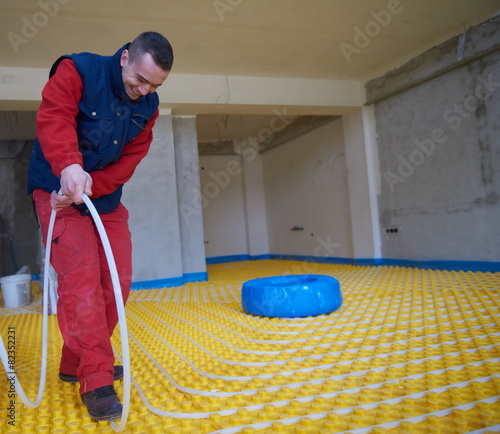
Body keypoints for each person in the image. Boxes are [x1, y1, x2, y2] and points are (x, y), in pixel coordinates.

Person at [26, 31, 173, 421]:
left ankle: (75, 363)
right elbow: (54, 116)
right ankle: (95, 378)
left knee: (118, 281)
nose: (144, 91)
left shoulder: (149, 105)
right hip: (55, 188)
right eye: (140, 79)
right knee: (81, 283)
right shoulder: (78, 70)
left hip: (102, 198)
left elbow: (129, 160)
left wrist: (91, 186)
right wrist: (69, 170)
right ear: (125, 57)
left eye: (155, 85)